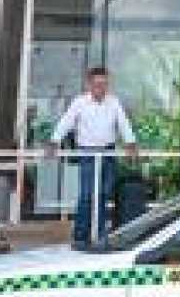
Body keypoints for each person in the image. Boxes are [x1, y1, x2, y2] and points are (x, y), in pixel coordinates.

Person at [47, 66, 139, 247]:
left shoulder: (114, 102)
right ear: (89, 84)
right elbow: (66, 122)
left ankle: (100, 234)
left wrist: (131, 143)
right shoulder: (79, 102)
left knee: (104, 194)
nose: (101, 88)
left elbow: (123, 123)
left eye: (104, 85)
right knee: (87, 195)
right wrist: (54, 141)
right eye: (97, 85)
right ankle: (80, 237)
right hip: (88, 153)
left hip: (108, 153)